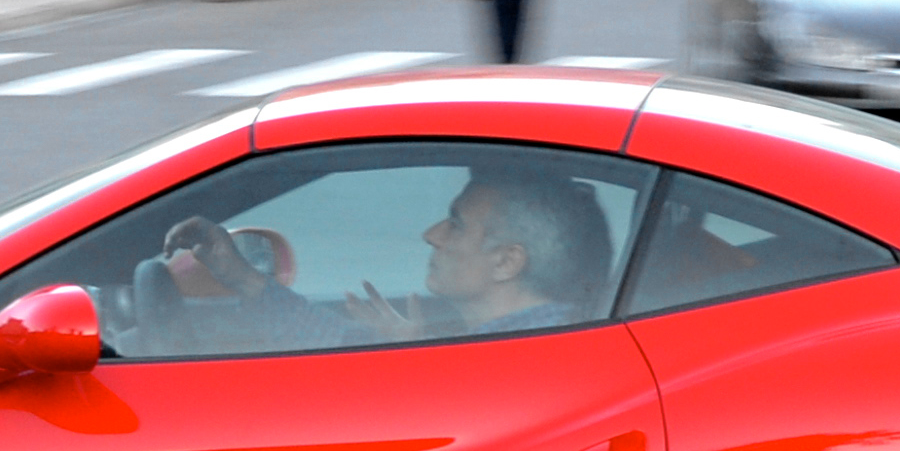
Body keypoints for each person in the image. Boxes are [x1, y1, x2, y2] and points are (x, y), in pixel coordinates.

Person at [152, 165, 615, 353]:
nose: (430, 235)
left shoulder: (502, 363)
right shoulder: (542, 343)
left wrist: (419, 361)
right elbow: (337, 340)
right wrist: (245, 279)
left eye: (455, 222)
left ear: (506, 263)